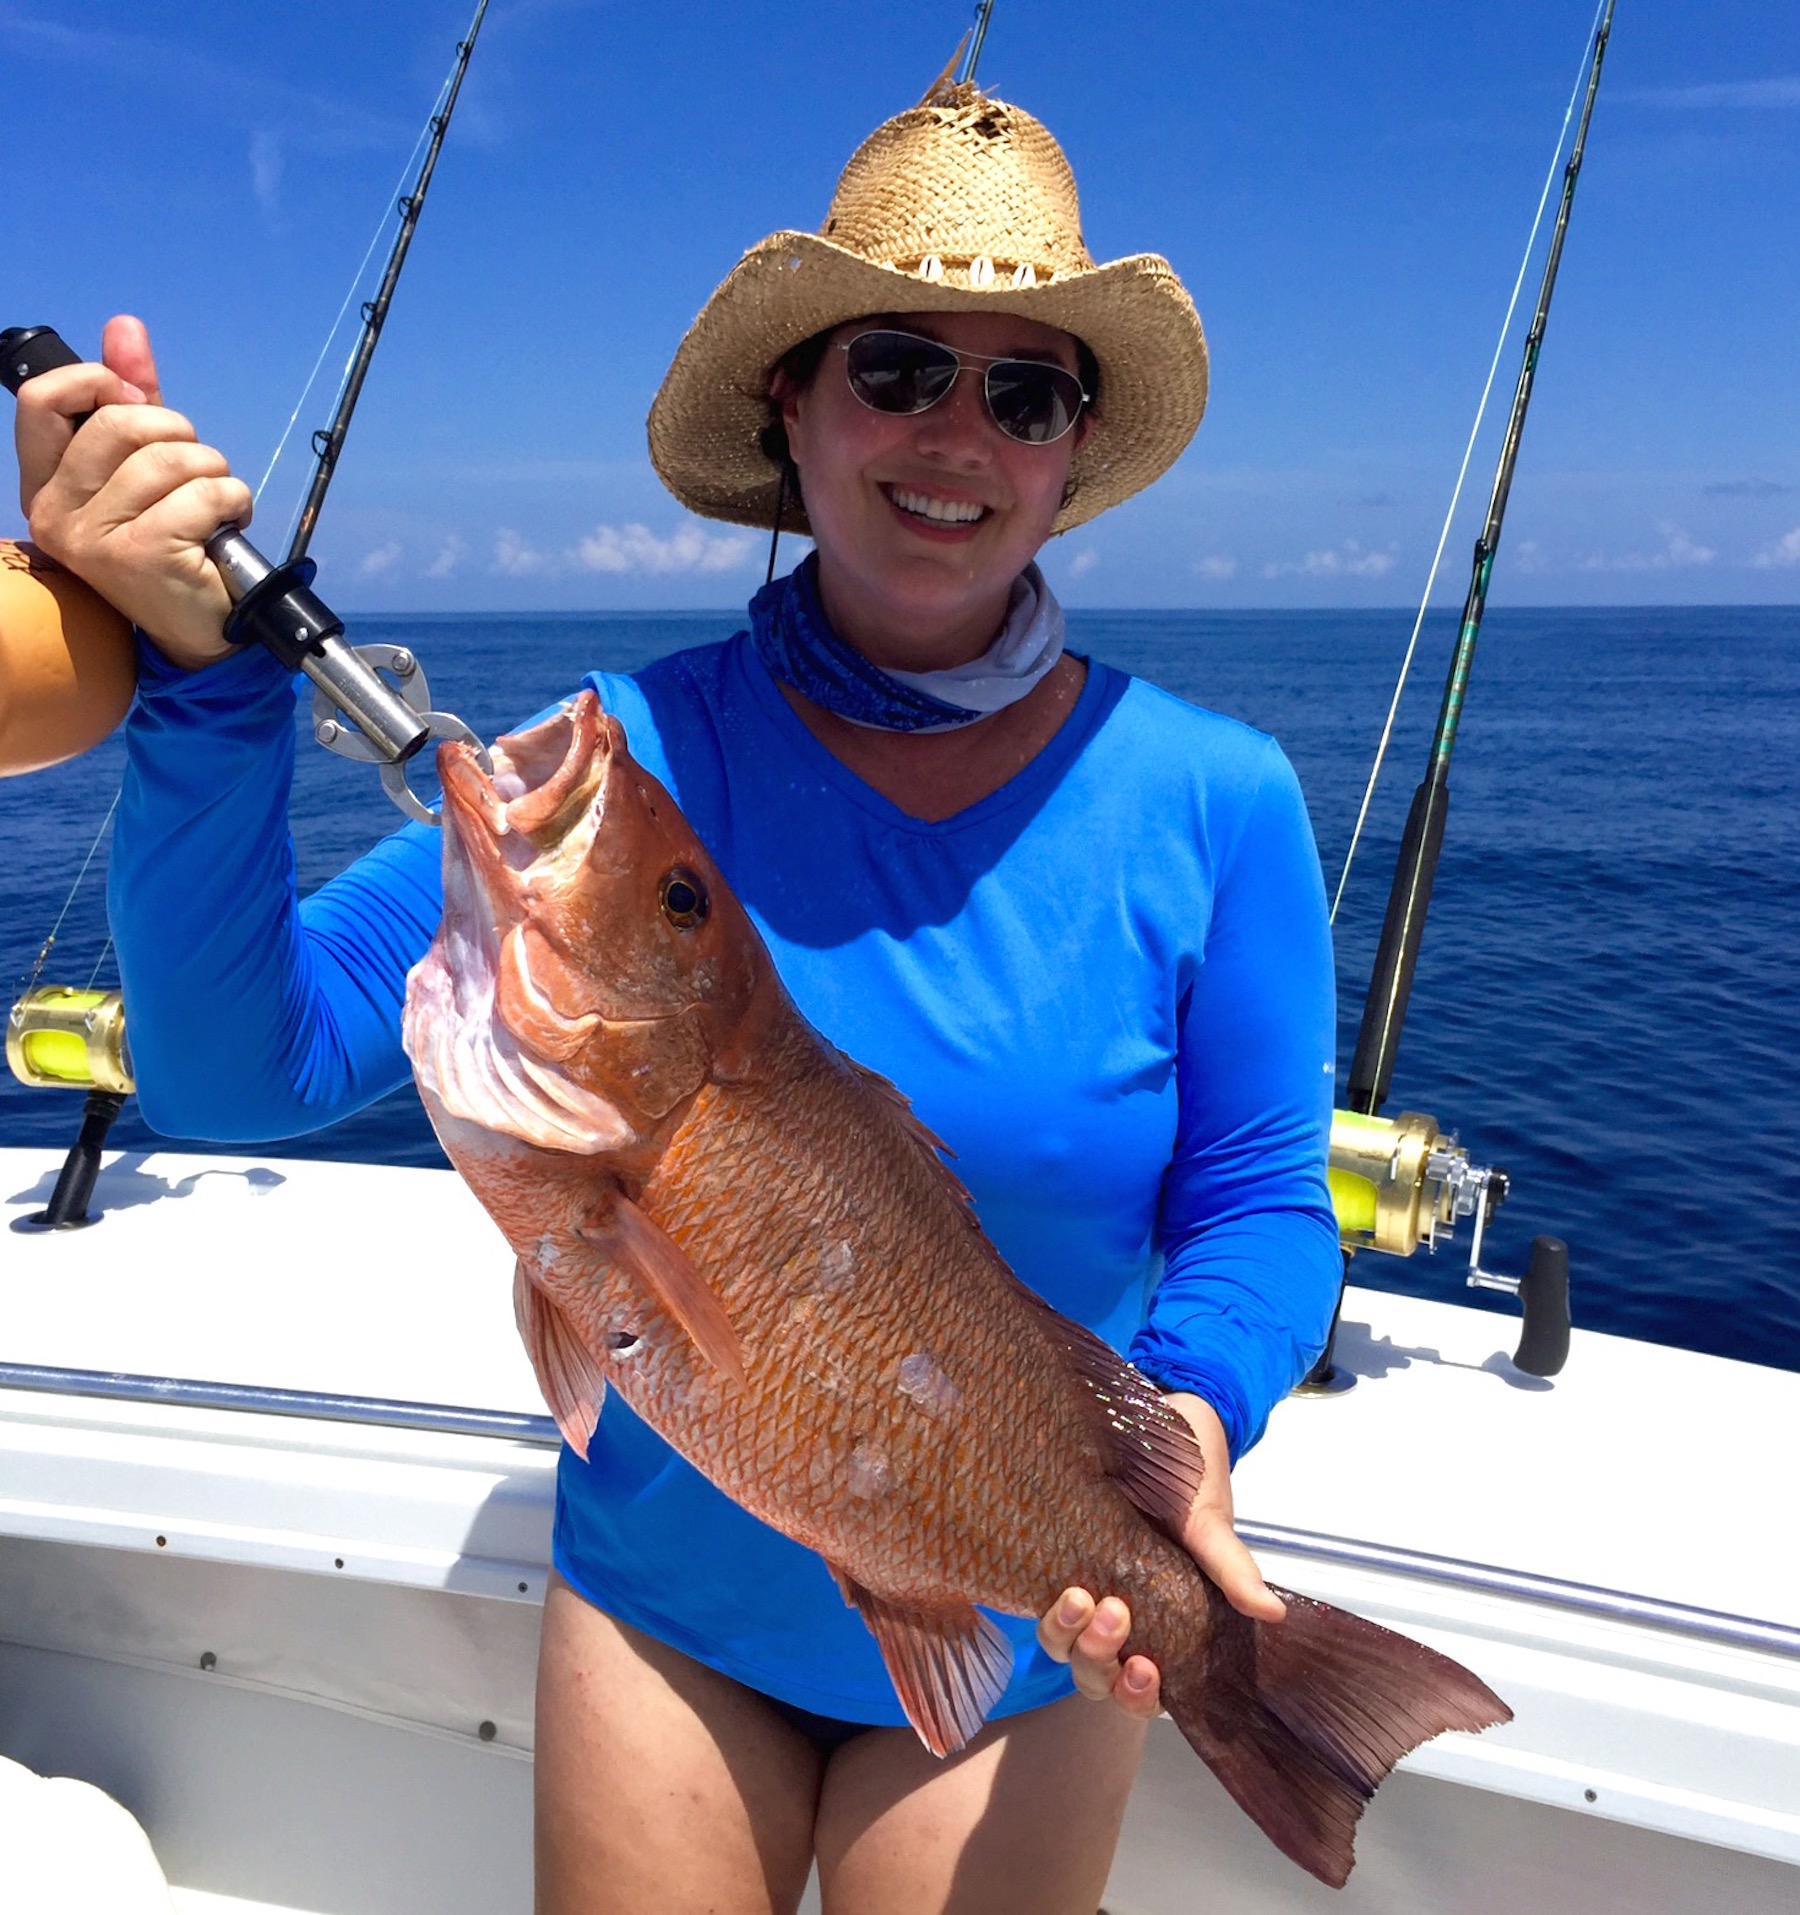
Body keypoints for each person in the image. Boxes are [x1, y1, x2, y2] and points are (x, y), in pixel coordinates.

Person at [14, 79, 1340, 1915]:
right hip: (667, 1619)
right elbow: (245, 1070)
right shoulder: (623, 772)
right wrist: (202, 682)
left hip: (1032, 1625)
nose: (956, 433)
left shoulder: (1218, 799)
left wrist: (1183, 1417)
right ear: (791, 399)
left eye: (1023, 391)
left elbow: (1261, 1203)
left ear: (1070, 452)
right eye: (896, 366)